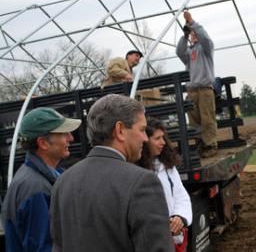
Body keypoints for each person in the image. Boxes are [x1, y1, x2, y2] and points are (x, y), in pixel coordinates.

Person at [50, 94, 174, 252]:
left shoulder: (63, 182)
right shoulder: (141, 182)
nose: (145, 138)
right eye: (142, 130)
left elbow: (58, 246)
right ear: (120, 130)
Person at [1, 107, 81, 252]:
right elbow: (43, 247)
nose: (71, 138)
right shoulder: (35, 189)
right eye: (63, 133)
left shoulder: (37, 178)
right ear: (43, 143)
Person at [138, 118, 192, 249]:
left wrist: (180, 217)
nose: (163, 142)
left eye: (163, 137)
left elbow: (180, 195)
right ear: (145, 140)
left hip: (175, 240)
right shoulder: (136, 171)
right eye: (157, 139)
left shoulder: (167, 166)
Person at [176, 10, 218, 158]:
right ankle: (200, 144)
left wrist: (192, 22)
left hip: (205, 89)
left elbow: (205, 37)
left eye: (195, 33)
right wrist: (185, 34)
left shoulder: (206, 48)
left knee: (207, 118)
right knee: (194, 120)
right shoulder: (189, 52)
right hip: (192, 90)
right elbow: (179, 51)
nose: (194, 35)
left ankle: (211, 145)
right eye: (192, 34)